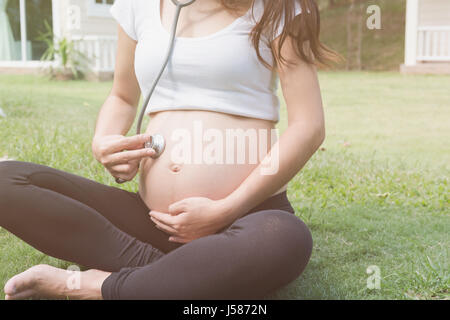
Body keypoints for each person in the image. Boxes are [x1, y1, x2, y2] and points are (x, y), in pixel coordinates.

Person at [0, 0, 336, 299]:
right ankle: (173, 275)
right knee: (6, 180)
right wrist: (103, 141)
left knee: (286, 238)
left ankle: (98, 287)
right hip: (154, 221)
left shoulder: (281, 7)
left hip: (247, 217)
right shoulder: (137, 6)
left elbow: (309, 126)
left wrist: (227, 209)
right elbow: (122, 97)